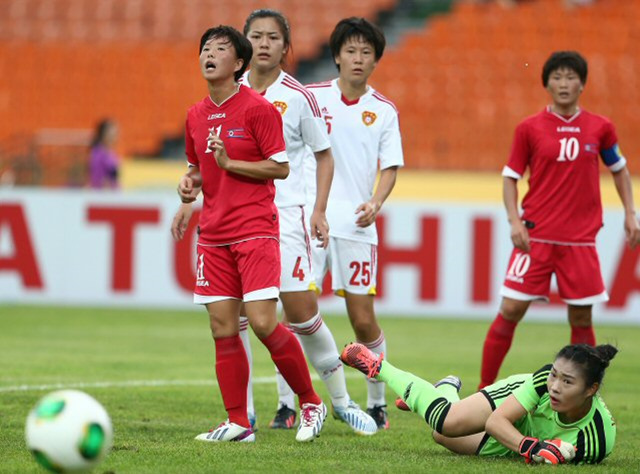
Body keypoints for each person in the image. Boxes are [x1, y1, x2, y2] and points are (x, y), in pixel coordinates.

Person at [173, 9, 377, 436]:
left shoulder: (296, 96)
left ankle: (338, 401)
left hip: (283, 217)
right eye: (256, 36)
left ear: (286, 47)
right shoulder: (217, 97)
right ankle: (243, 417)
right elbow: (203, 166)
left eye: (272, 37)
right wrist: (189, 194)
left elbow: (322, 156)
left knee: (298, 313)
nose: (264, 43)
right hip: (225, 220)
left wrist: (318, 209)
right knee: (234, 321)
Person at [478, 51, 640, 390]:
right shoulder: (529, 128)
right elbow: (510, 178)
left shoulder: (601, 128)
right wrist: (514, 222)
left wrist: (630, 211)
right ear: (546, 83)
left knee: (581, 316)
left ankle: (586, 393)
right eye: (557, 77)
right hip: (535, 236)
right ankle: (483, 389)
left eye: (570, 77)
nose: (563, 84)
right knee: (510, 309)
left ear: (582, 83)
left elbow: (620, 170)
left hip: (580, 240)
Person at [304, 17, 404, 429]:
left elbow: (391, 167)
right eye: (351, 50)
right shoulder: (311, 98)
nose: (358, 58)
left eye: (366, 52)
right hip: (312, 219)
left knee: (362, 320)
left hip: (357, 225)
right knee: (297, 311)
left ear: (376, 60)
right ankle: (289, 403)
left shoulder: (383, 110)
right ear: (336, 56)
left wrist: (376, 202)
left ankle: (377, 401)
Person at [341, 341, 618, 464]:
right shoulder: (541, 380)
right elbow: (496, 421)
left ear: (591, 390)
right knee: (445, 421)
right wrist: (531, 447)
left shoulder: (596, 439)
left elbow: (563, 458)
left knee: (439, 435)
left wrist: (547, 454)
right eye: (555, 376)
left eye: (567, 382)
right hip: (514, 414)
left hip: (519, 439)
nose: (555, 387)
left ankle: (446, 388)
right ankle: (378, 364)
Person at [89, 119, 120, 189]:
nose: (115, 137)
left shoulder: (112, 154)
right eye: (112, 134)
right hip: (104, 195)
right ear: (103, 135)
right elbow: (97, 178)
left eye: (116, 134)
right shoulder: (97, 154)